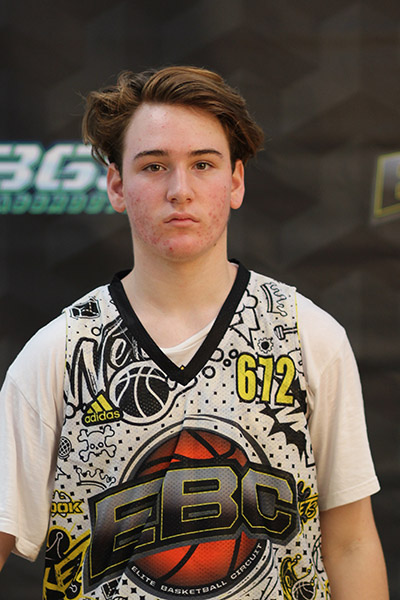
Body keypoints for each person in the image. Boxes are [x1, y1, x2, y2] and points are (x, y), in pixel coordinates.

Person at [0, 66, 389, 600]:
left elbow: (350, 543)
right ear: (117, 185)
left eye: (202, 164)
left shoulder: (308, 335)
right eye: (154, 166)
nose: (179, 190)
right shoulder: (59, 352)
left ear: (235, 182)